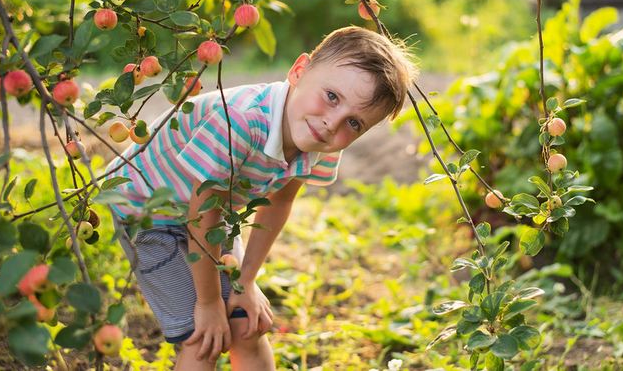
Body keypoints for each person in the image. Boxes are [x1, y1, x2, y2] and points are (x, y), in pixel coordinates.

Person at [105, 26, 416, 370]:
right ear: (299, 70)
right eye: (331, 96)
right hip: (146, 208)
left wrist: (246, 282)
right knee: (204, 336)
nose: (332, 123)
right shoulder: (242, 121)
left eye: (354, 123)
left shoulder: (320, 141)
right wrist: (208, 302)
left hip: (211, 214)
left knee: (245, 322)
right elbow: (201, 215)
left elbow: (279, 203)